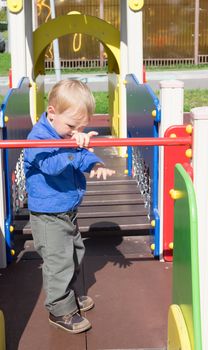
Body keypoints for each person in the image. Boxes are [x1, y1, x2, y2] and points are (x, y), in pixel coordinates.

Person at [24, 79, 115, 334]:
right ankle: (59, 310)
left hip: (67, 211)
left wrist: (94, 163)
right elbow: (52, 165)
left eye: (81, 127)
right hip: (48, 215)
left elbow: (82, 154)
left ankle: (67, 296)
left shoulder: (66, 132)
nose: (75, 132)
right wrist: (75, 145)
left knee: (75, 254)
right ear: (52, 113)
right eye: (72, 126)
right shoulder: (38, 138)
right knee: (58, 262)